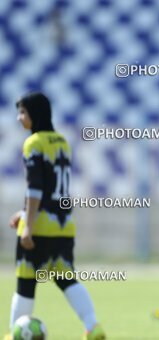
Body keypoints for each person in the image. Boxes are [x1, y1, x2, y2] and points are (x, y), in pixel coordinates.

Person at [6, 92, 106, 340]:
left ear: (35, 115)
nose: (19, 118)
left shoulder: (33, 143)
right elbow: (53, 187)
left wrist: (27, 225)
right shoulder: (62, 141)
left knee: (26, 283)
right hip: (63, 225)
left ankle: (13, 334)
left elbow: (36, 187)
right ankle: (93, 327)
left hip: (39, 226)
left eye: (23, 113)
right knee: (67, 279)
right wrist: (23, 212)